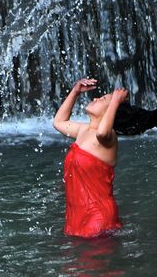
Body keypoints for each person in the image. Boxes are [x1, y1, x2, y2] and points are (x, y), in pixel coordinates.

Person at [53, 78, 127, 238]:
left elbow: (103, 133)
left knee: (92, 262)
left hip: (98, 217)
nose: (95, 98)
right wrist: (75, 91)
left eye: (102, 99)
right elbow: (58, 122)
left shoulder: (109, 138)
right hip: (76, 217)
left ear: (110, 111)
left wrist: (115, 100)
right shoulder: (83, 130)